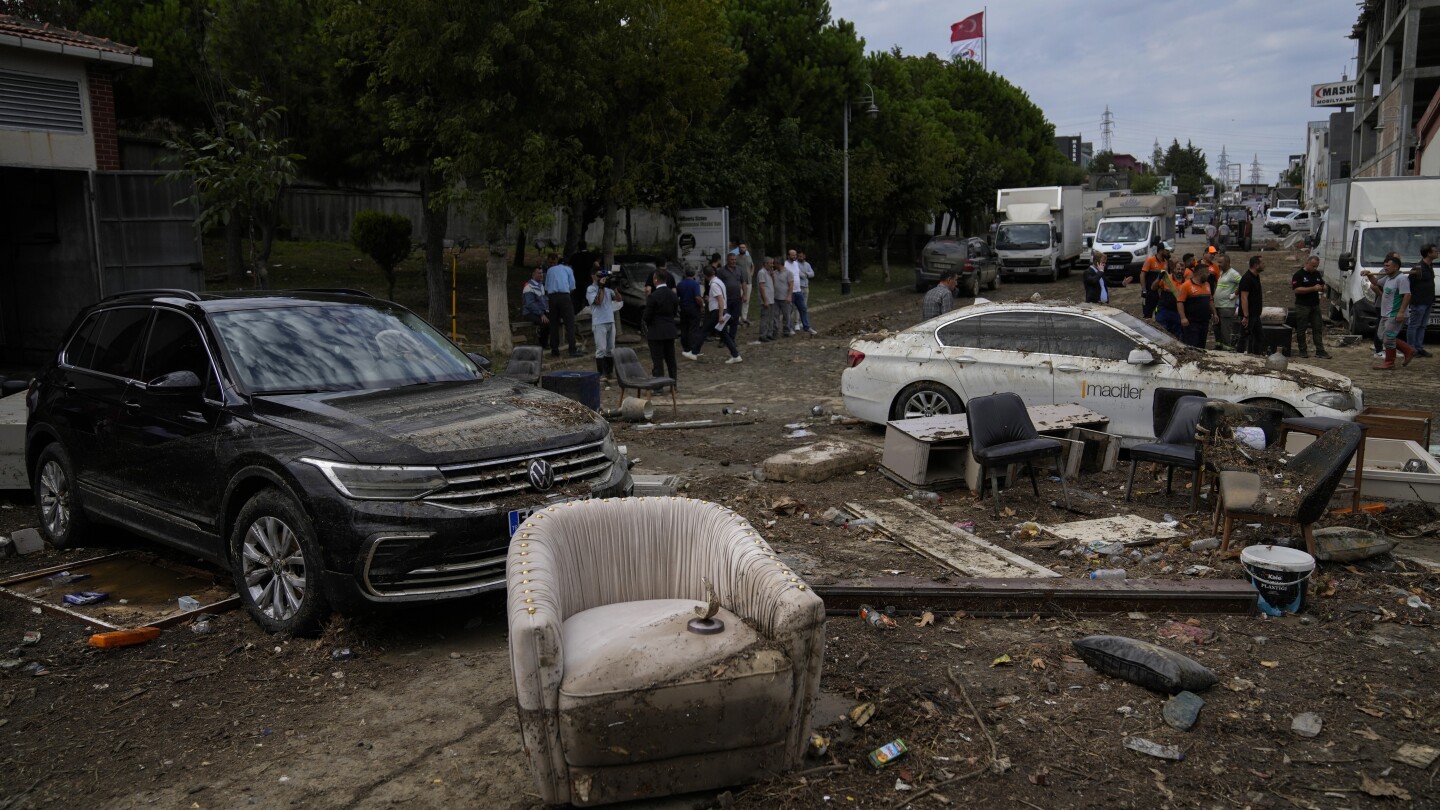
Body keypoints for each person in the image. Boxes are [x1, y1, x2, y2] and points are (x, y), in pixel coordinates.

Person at [1366, 252, 1416, 369]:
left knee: (1388, 337)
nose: (1385, 268)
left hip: (1395, 313)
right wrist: (1368, 275)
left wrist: (1401, 312)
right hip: (1385, 313)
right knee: (1381, 336)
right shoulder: (1388, 278)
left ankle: (1389, 362)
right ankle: (1408, 350)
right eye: (1385, 265)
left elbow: (1407, 295)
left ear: (1396, 266)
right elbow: (1376, 283)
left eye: (1388, 266)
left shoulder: (1401, 278)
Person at [585, 266, 622, 380]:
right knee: (601, 349)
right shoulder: (591, 289)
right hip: (599, 322)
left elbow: (619, 299)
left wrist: (615, 288)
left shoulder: (607, 289)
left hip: (610, 320)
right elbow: (599, 302)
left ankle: (609, 372)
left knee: (610, 349)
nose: (601, 277)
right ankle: (600, 374)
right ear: (593, 276)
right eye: (598, 275)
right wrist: (600, 287)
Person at [1290, 255, 1330, 359]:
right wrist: (1312, 288)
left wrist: (1323, 287)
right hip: (1302, 305)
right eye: (1313, 266)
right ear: (1306, 263)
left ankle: (1320, 350)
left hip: (1315, 305)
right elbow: (1297, 289)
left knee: (1317, 328)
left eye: (1316, 266)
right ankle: (1302, 350)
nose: (1315, 268)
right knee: (1301, 328)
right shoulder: (1298, 275)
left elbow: (1321, 284)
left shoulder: (1316, 274)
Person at [642, 269, 679, 381]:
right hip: (669, 329)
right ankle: (673, 382)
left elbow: (646, 316)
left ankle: (658, 385)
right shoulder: (673, 295)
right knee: (671, 358)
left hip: (656, 331)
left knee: (657, 359)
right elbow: (674, 312)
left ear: (655, 279)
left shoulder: (653, 296)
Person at [543, 255, 580, 358]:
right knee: (570, 323)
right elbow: (572, 286)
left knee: (553, 324)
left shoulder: (550, 270)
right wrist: (567, 293)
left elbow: (546, 286)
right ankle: (572, 350)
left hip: (552, 297)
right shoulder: (568, 269)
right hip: (564, 296)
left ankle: (555, 350)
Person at [1176, 259, 1215, 349]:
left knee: (1201, 345)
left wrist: (1214, 313)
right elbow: (1180, 302)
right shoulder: (1186, 286)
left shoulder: (1207, 285)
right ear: (1200, 273)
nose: (1209, 275)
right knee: (1192, 345)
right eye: (1207, 273)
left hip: (1204, 321)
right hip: (1191, 322)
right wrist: (1183, 318)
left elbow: (1210, 300)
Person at [1408, 243, 1437, 358]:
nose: (1437, 252)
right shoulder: (1418, 268)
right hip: (1418, 302)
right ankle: (1411, 349)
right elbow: (1409, 284)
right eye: (1435, 251)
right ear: (1428, 253)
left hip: (1428, 301)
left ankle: (1419, 347)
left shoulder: (1430, 267)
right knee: (1414, 325)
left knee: (1423, 325)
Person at [1213, 254, 1242, 350]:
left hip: (1227, 306)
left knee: (1225, 329)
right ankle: (1218, 346)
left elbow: (1243, 283)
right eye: (1218, 262)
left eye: (1221, 262)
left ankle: (1226, 349)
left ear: (1228, 263)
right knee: (1217, 328)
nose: (1218, 264)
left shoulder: (1233, 273)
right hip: (1218, 306)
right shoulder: (1222, 273)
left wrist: (1235, 294)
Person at [717, 252, 747, 348]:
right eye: (732, 260)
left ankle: (732, 339)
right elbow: (717, 285)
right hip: (725, 300)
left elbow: (743, 282)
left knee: (734, 320)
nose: (734, 261)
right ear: (727, 260)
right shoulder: (721, 271)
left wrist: (745, 294)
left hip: (737, 298)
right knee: (724, 320)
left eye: (735, 260)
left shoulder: (739, 270)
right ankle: (723, 339)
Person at [1238, 255, 1265, 355]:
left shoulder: (1256, 276)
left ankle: (1256, 355)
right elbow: (1244, 297)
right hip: (1248, 315)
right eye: (1262, 263)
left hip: (1255, 314)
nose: (1264, 265)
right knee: (1244, 337)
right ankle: (1239, 356)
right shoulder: (1247, 278)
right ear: (1255, 265)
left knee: (1259, 336)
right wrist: (1245, 316)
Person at [677, 267, 703, 358]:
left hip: (683, 308)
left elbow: (677, 296)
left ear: (685, 274)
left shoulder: (680, 284)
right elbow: (697, 297)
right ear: (694, 274)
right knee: (693, 328)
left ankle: (686, 347)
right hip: (693, 308)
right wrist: (701, 305)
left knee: (684, 328)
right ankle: (693, 348)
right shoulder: (695, 284)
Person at [1154, 260, 1185, 338]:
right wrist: (1158, 279)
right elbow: (1153, 288)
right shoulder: (1166, 279)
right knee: (1161, 333)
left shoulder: (1186, 283)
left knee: (1176, 336)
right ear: (1174, 269)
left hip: (1176, 313)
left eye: (1182, 269)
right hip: (1163, 311)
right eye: (1178, 269)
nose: (1180, 271)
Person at [521, 266, 550, 347]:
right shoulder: (528, 287)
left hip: (540, 311)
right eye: (539, 273)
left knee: (554, 319)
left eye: (542, 273)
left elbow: (544, 300)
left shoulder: (541, 286)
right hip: (529, 313)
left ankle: (550, 342)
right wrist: (541, 314)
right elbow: (530, 304)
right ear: (533, 274)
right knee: (545, 323)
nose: (541, 275)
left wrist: (547, 310)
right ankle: (543, 344)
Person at [1139, 246, 1170, 318]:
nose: (1168, 252)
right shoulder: (1150, 260)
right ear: (1160, 251)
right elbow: (1142, 275)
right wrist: (1144, 290)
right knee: (1147, 313)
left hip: (1159, 293)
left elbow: (1166, 278)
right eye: (1166, 250)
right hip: (1149, 292)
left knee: (1158, 311)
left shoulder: (1165, 262)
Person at [756, 257, 778, 341]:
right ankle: (762, 335)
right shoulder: (761, 272)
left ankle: (769, 333)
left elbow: (772, 283)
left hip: (771, 298)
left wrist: (772, 275)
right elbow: (762, 287)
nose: (772, 265)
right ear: (765, 264)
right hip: (766, 299)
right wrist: (765, 300)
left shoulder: (769, 272)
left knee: (771, 317)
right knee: (765, 317)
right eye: (770, 263)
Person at [734, 243, 755, 325]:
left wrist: (751, 273)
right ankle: (738, 318)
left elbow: (753, 266)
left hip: (749, 282)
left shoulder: (749, 257)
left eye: (743, 247)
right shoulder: (736, 258)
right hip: (740, 282)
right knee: (739, 300)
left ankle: (744, 317)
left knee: (747, 300)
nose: (742, 249)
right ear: (738, 249)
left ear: (746, 248)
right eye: (740, 247)